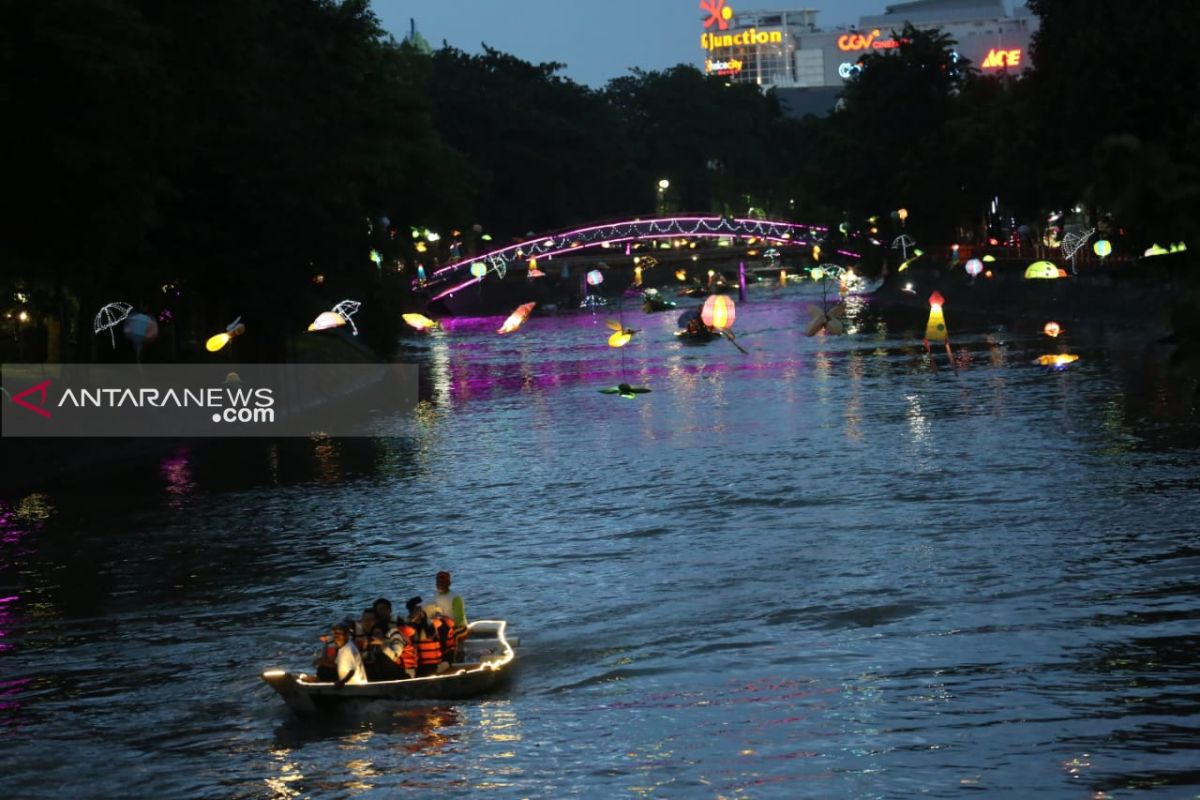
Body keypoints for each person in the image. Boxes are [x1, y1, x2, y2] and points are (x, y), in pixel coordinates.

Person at [427, 571, 468, 662]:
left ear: (449, 583)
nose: (439, 584)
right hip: (443, 626)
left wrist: (450, 629)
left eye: (442, 582)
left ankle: (458, 657)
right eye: (438, 582)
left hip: (459, 627)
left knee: (451, 635)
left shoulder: (456, 597)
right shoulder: (436, 596)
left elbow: (459, 619)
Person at [406, 596, 451, 677]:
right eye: (416, 610)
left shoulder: (434, 623)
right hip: (420, 667)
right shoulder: (409, 625)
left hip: (434, 666)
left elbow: (430, 634)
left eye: (420, 609)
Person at [329, 621, 367, 687]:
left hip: (356, 686)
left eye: (339, 633)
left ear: (346, 635)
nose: (336, 635)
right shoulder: (341, 648)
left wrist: (342, 682)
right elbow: (336, 664)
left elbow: (352, 671)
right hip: (348, 684)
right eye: (334, 633)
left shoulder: (349, 648)